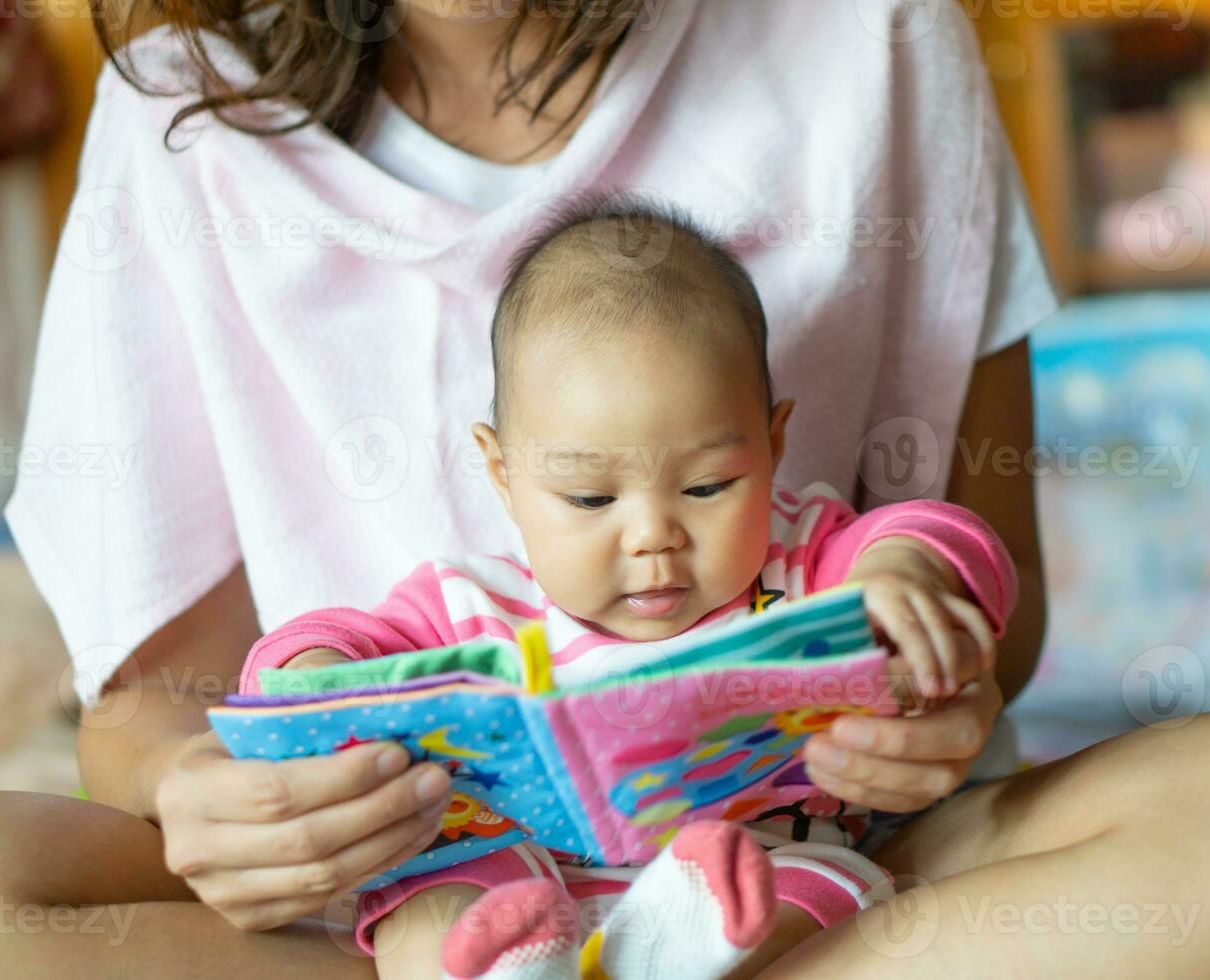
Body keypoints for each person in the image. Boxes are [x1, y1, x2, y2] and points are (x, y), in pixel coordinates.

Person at [0, 2, 1210, 977]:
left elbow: (984, 576)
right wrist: (213, 802)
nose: (653, 538)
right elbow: (155, 715)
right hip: (413, 913)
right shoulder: (182, 117)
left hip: (814, 876)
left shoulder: (865, 28)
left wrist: (935, 674)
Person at [240, 196, 1018, 979]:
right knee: (420, 896)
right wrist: (310, 678)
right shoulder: (472, 607)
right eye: (590, 500)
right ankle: (507, 967)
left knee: (836, 889)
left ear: (773, 444)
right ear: (504, 476)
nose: (653, 535)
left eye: (710, 486)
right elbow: (324, 648)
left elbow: (940, 536)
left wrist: (904, 572)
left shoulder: (803, 560)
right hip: (514, 887)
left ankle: (668, 952)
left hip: (740, 882)